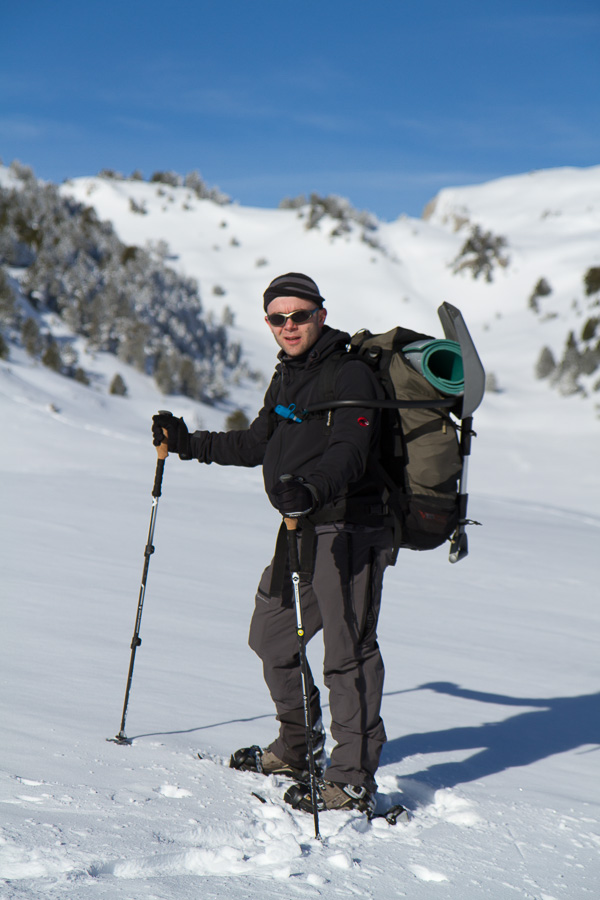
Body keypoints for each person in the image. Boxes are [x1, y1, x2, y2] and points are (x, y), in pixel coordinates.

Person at [152, 272, 395, 814]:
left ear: (320, 315)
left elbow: (351, 451)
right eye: (278, 318)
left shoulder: (351, 372)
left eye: (300, 315)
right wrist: (188, 442)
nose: (289, 326)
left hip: (348, 527)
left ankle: (351, 777)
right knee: (272, 637)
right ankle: (297, 746)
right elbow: (258, 441)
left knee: (347, 652)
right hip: (299, 527)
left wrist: (310, 487)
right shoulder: (288, 375)